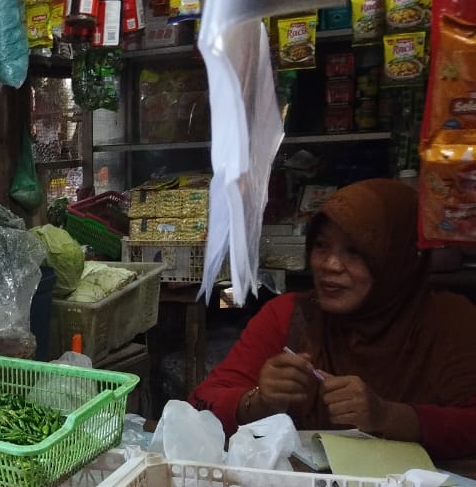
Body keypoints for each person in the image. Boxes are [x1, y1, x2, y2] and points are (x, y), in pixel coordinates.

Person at [190, 178, 476, 461]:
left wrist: (388, 416)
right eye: (322, 246)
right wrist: (258, 402)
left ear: (397, 258)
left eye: (355, 252)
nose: (330, 265)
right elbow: (199, 406)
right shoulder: (289, 316)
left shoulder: (449, 321)